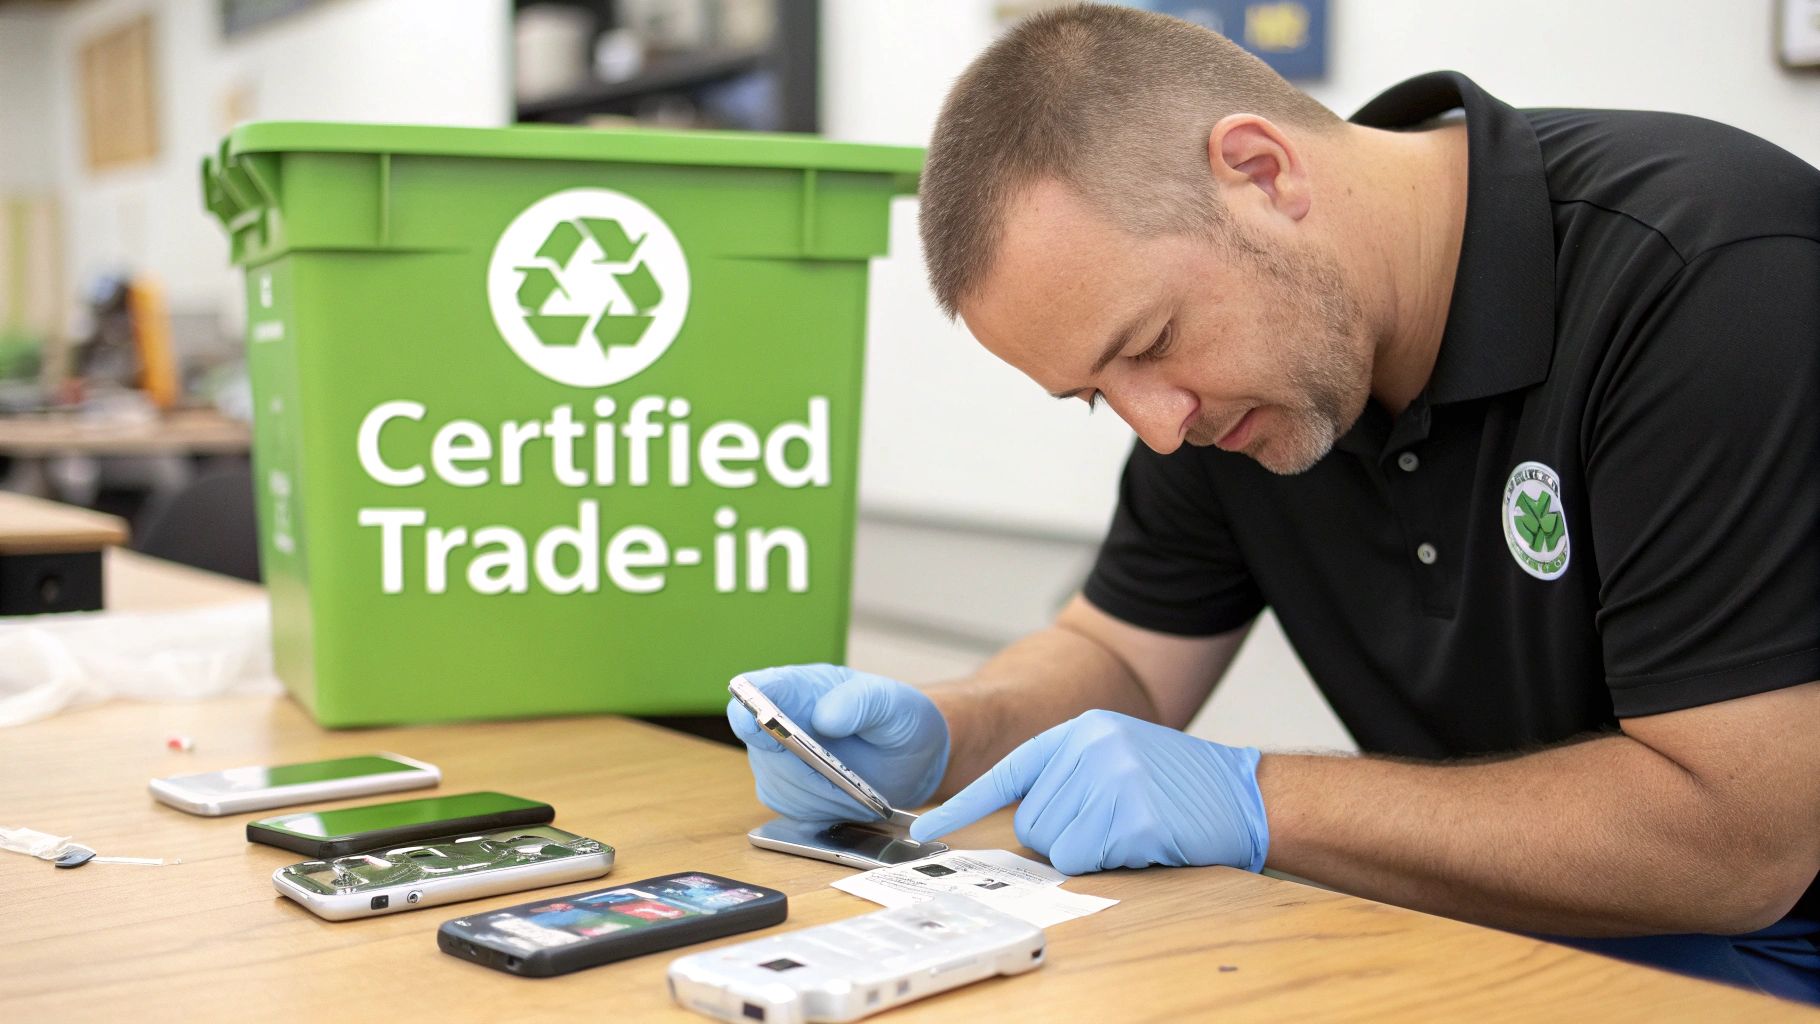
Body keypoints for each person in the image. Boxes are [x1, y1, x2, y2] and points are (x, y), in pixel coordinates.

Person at [727, 4, 1820, 1002]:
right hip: (1500, 933)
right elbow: (1120, 660)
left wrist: (1256, 799)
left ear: (1259, 171)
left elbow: (1737, 841)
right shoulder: (1235, 386)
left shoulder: (1709, 277)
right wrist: (944, 733)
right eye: (1094, 397)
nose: (1156, 424)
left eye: (1146, 345)